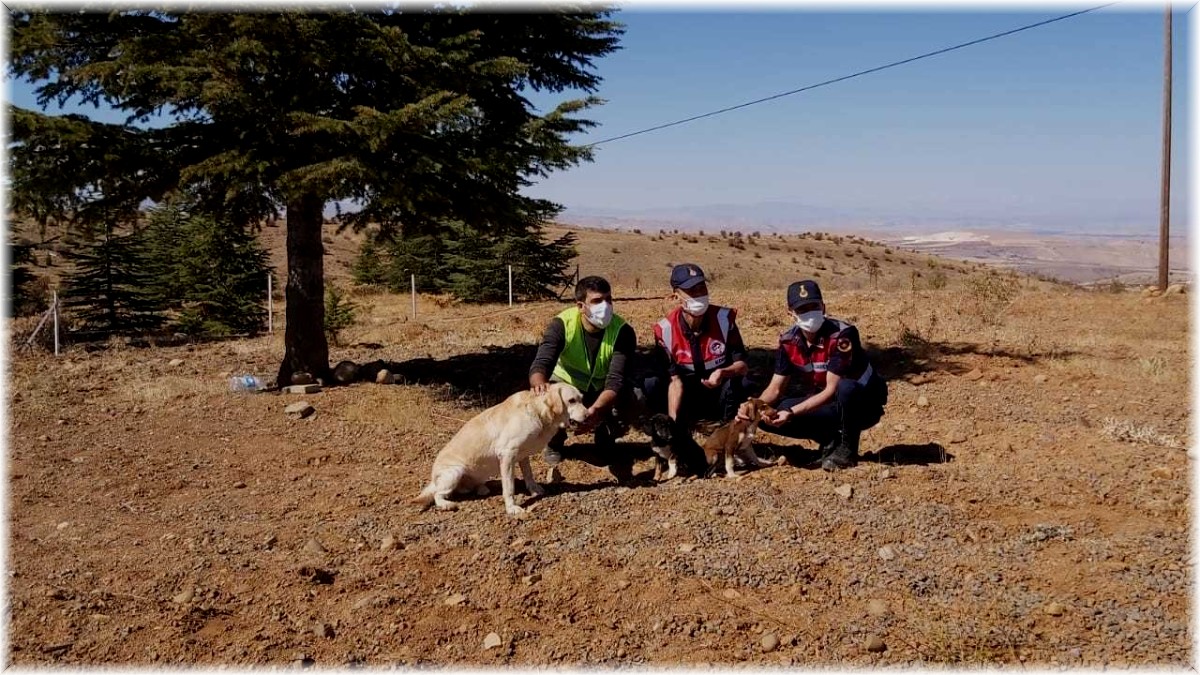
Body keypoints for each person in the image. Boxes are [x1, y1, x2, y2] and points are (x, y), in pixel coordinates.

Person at [750, 279, 888, 471]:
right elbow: (775, 387)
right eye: (802, 309)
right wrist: (754, 407)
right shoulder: (788, 341)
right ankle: (830, 440)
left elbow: (832, 389)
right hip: (828, 402)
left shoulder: (842, 335)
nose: (809, 313)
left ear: (823, 307)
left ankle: (848, 451)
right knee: (770, 414)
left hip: (862, 404)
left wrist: (791, 413)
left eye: (813, 306)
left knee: (845, 388)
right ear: (790, 313)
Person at [529, 275, 639, 482]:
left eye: (609, 299)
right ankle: (554, 441)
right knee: (548, 396)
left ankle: (606, 437)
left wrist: (595, 411)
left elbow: (615, 381)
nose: (605, 306)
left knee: (634, 396)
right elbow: (541, 364)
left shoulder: (622, 331)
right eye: (597, 301)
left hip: (601, 390)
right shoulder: (562, 324)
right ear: (581, 305)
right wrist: (540, 386)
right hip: (567, 387)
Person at [644, 263, 751, 427]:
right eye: (692, 290)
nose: (699, 294)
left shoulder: (724, 319)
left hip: (718, 389)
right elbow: (675, 381)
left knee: (742, 382)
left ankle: (726, 426)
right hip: (686, 392)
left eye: (702, 288)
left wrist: (723, 372)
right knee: (652, 384)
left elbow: (742, 365)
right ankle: (672, 423)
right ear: (676, 296)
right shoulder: (664, 330)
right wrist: (674, 423)